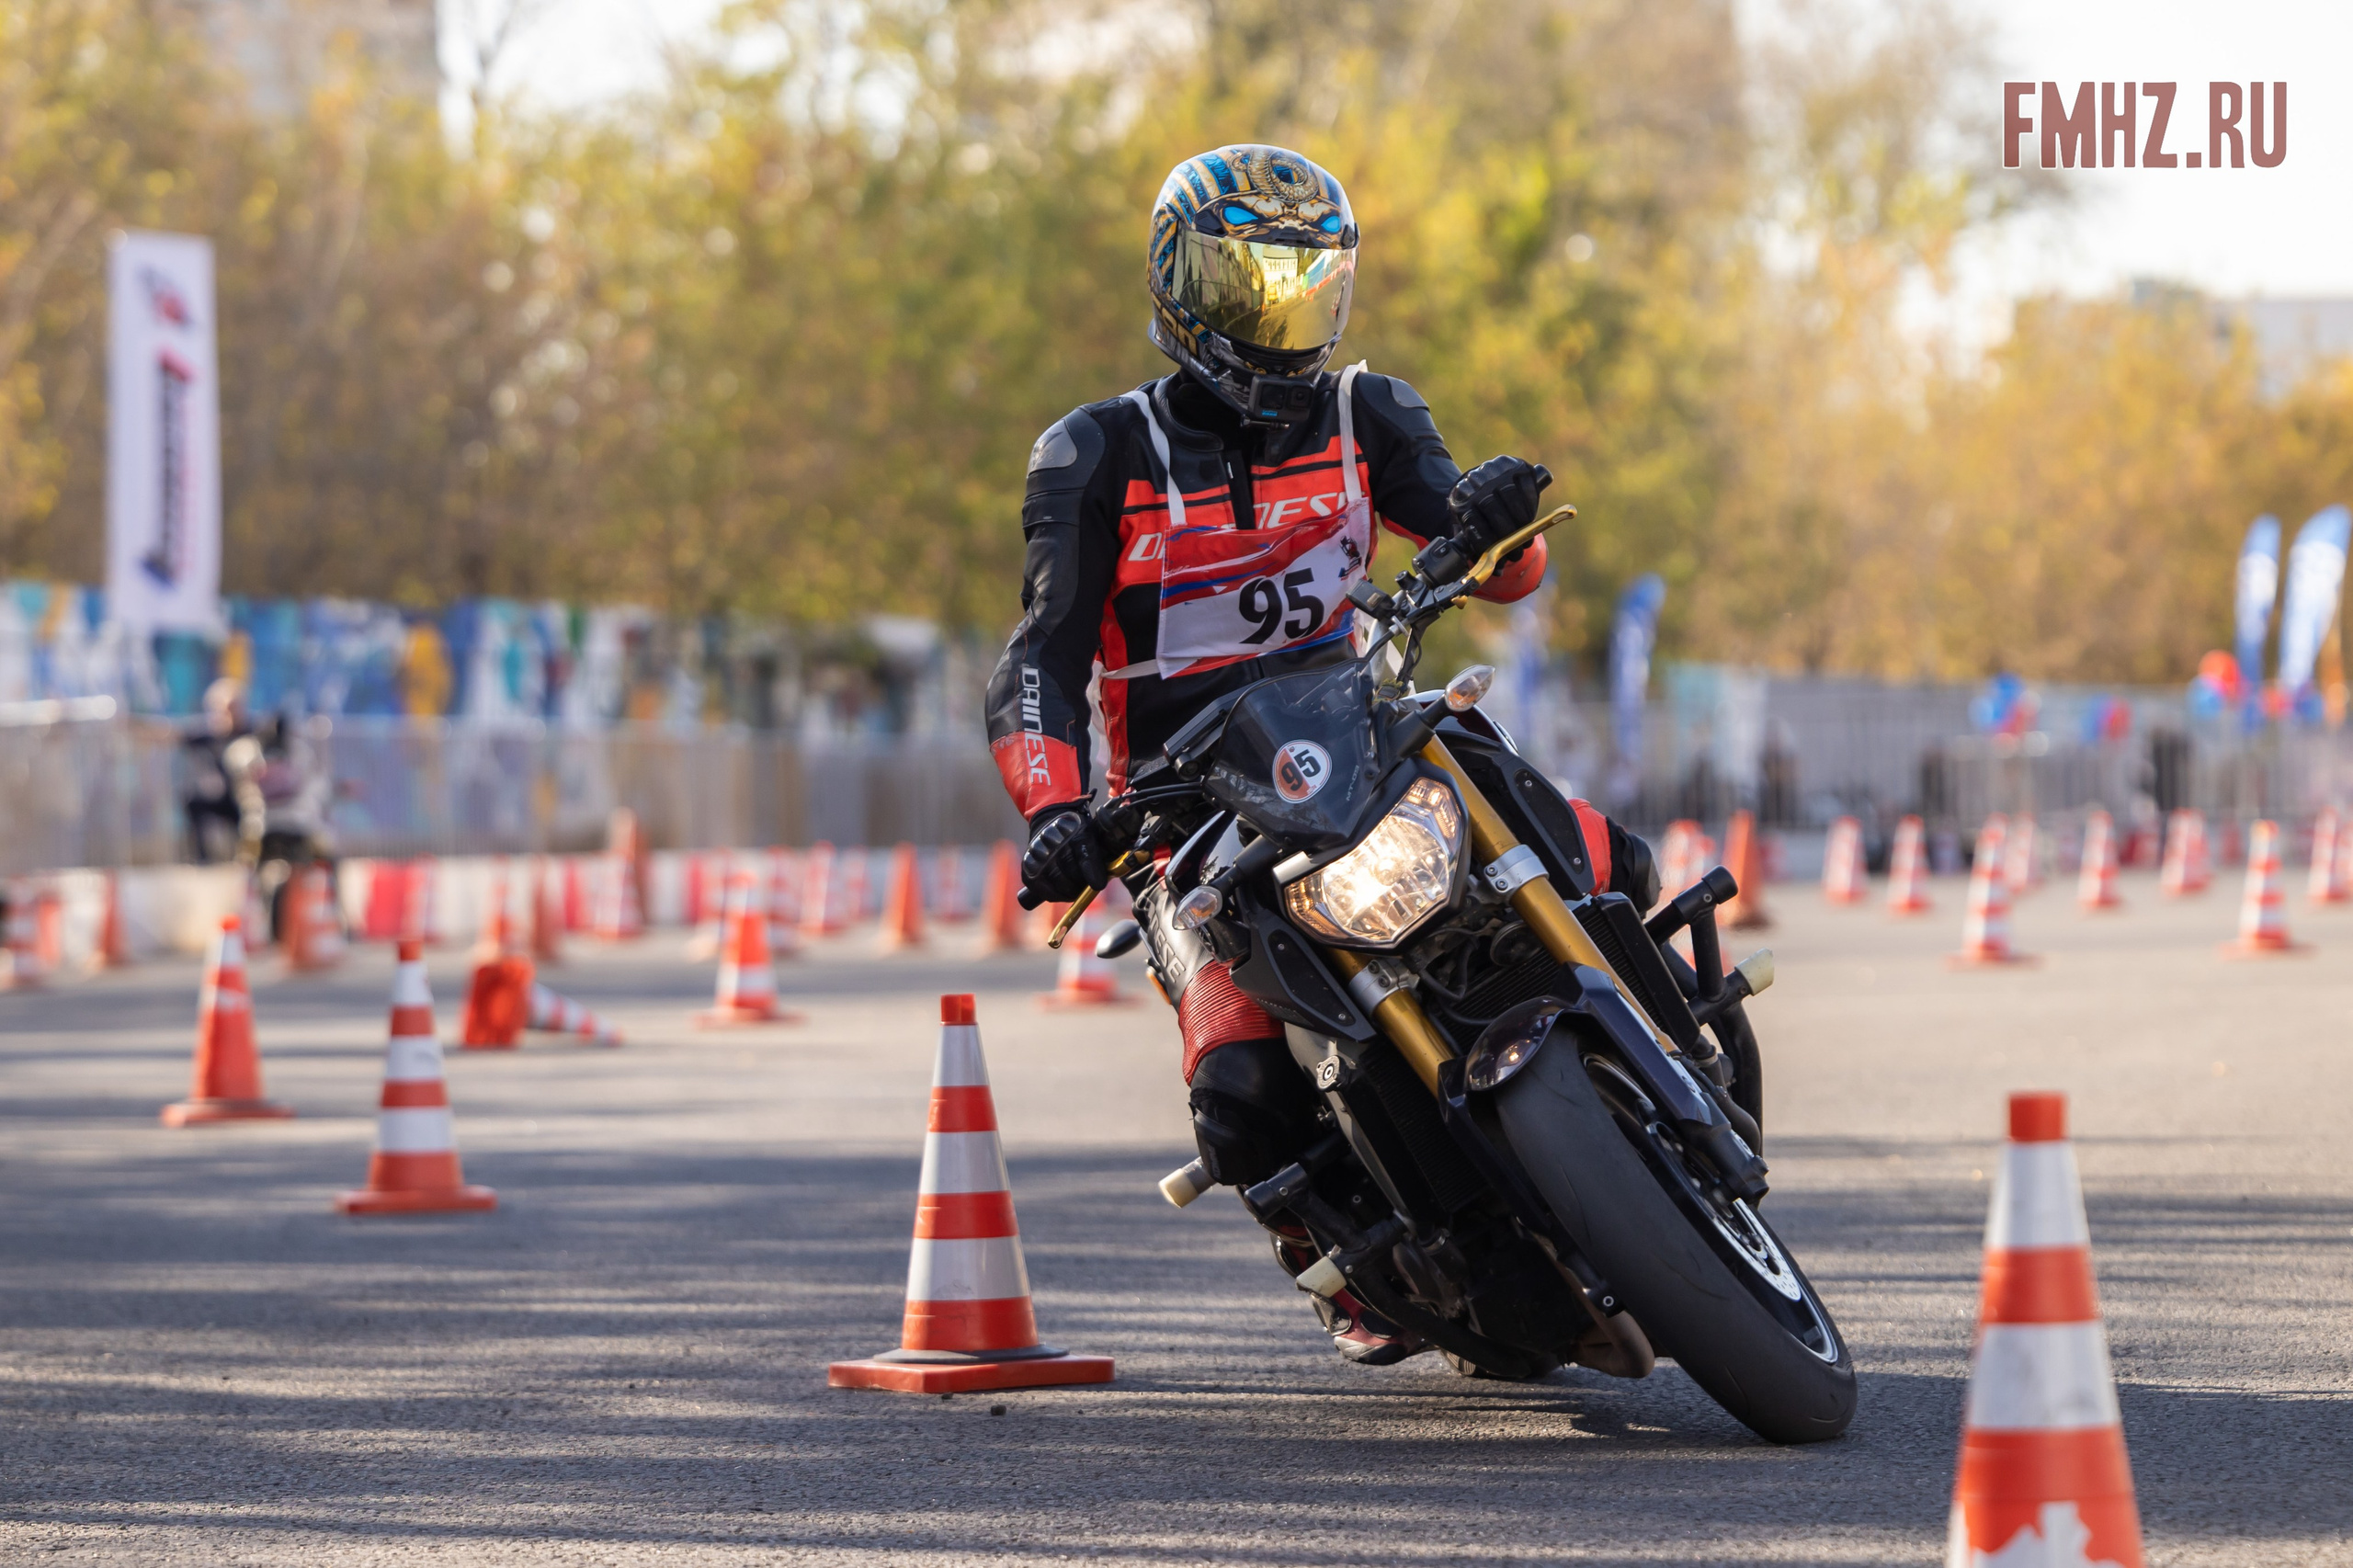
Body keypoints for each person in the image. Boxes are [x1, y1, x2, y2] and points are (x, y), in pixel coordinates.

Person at [983, 144, 1658, 1363]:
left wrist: (1496, 526)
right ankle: (1339, 1259)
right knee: (1236, 1092)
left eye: (1309, 286)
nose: (1283, 320)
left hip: (1365, 730)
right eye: (1254, 288)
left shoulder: (1369, 411)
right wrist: (1056, 810)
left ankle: (1668, 1044)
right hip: (1183, 820)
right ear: (1183, 289)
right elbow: (1037, 657)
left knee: (1619, 862)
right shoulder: (1095, 457)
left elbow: (1487, 554)